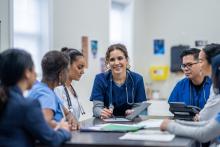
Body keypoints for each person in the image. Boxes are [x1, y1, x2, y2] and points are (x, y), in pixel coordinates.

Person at [0, 49, 71, 146]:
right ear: (27, 73)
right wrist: (64, 130)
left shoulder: (7, 100)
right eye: (33, 68)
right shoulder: (27, 106)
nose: (36, 74)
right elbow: (51, 139)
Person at [160, 54, 220, 146]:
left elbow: (205, 132)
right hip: (189, 134)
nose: (186, 69)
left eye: (190, 65)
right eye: (184, 66)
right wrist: (177, 123)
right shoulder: (180, 85)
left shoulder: (212, 86)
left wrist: (170, 126)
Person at [90, 43, 147, 119]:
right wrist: (102, 112)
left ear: (126, 60)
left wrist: (134, 111)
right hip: (105, 123)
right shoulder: (100, 79)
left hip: (130, 122)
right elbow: (96, 108)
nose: (116, 63)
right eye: (112, 59)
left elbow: (139, 107)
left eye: (120, 58)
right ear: (108, 62)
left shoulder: (137, 79)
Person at [28, 50, 79, 130]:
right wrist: (60, 126)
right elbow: (43, 124)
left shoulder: (43, 89)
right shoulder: (46, 94)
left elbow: (66, 112)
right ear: (61, 74)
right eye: (67, 70)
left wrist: (70, 116)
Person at [55, 47, 86, 121]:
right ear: (67, 65)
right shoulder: (58, 89)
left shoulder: (71, 88)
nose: (83, 72)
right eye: (79, 67)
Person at [195, 43, 220, 121]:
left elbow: (203, 117)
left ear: (213, 62)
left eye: (201, 61)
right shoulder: (214, 85)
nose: (199, 65)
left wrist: (200, 117)